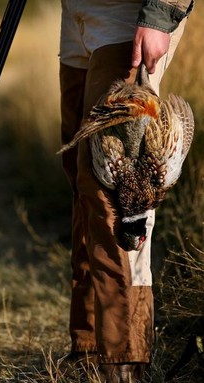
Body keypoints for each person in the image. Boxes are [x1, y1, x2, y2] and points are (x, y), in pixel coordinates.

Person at [59, 0, 194, 382]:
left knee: (114, 189)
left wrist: (160, 14)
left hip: (127, 17)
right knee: (81, 175)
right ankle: (87, 346)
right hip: (77, 16)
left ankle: (124, 359)